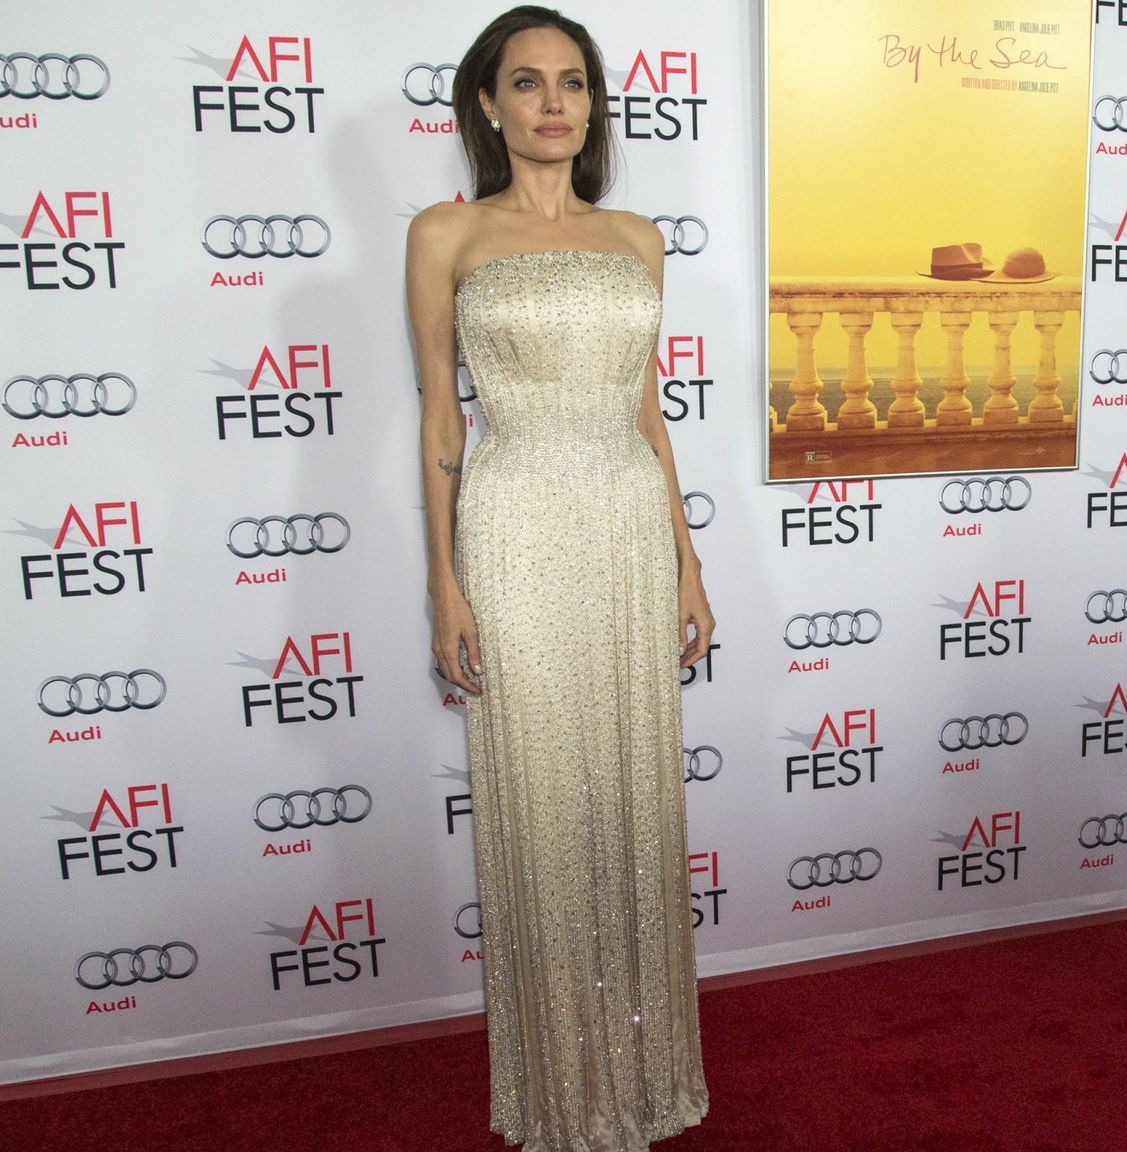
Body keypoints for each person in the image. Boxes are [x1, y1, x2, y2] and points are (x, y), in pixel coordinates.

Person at [407, 6, 712, 1146]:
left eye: (572, 84)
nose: (551, 104)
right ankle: (560, 1089)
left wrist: (686, 561)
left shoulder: (635, 237)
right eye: (526, 83)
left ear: (592, 105)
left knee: (632, 794)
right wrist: (443, 581)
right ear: (485, 104)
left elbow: (646, 408)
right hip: (518, 517)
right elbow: (443, 412)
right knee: (539, 798)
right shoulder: (447, 235)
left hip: (627, 520)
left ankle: (640, 1074)